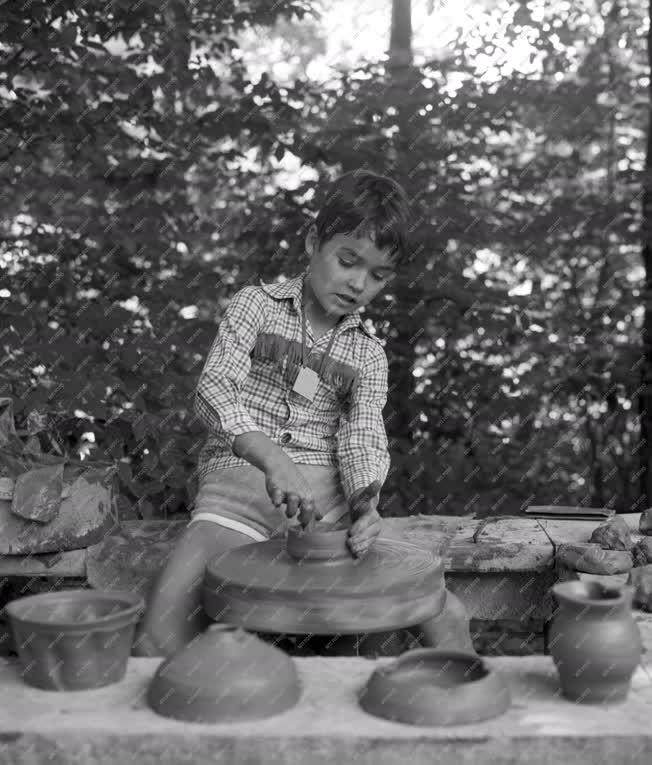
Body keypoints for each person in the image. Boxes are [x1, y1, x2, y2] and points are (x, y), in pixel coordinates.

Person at [133, 169, 474, 658]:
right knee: (160, 631)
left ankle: (454, 696)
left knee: (432, 614)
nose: (358, 283)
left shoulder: (368, 355)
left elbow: (362, 437)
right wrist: (271, 458)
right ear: (314, 241)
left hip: (328, 513)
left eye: (378, 276)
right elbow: (213, 389)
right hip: (236, 499)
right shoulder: (256, 306)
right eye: (348, 260)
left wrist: (365, 505)